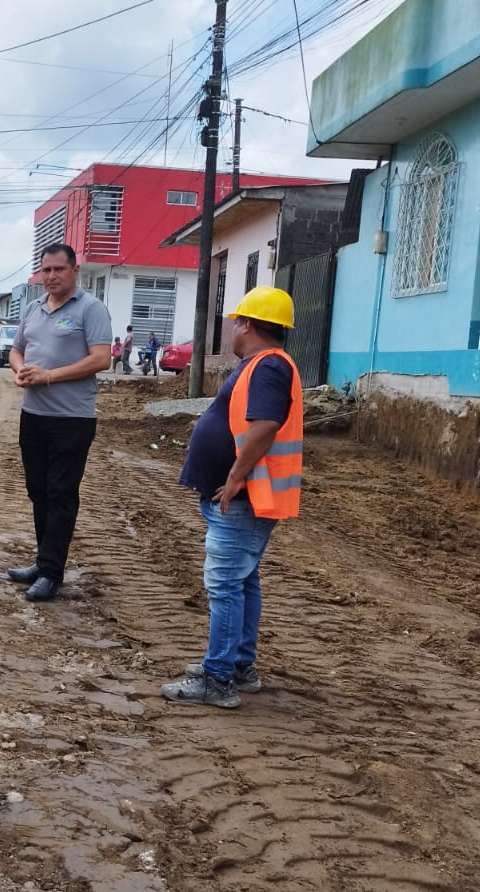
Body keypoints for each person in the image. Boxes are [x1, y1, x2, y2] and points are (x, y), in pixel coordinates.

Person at [163, 286, 302, 710]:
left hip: (244, 499)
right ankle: (238, 665)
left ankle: (218, 678)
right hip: (245, 498)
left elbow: (265, 426)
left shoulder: (268, 366)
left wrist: (236, 477)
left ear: (248, 325)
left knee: (224, 585)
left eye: (237, 323)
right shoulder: (263, 364)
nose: (233, 331)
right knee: (242, 580)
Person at [4, 243, 112, 602]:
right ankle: (43, 561)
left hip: (71, 418)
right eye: (46, 270)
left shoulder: (91, 309)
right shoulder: (33, 308)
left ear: (74, 271)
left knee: (61, 493)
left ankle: (52, 571)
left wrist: (50, 376)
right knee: (38, 490)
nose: (51, 276)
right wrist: (22, 370)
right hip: (33, 415)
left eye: (59, 270)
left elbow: (101, 359)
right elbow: (16, 349)